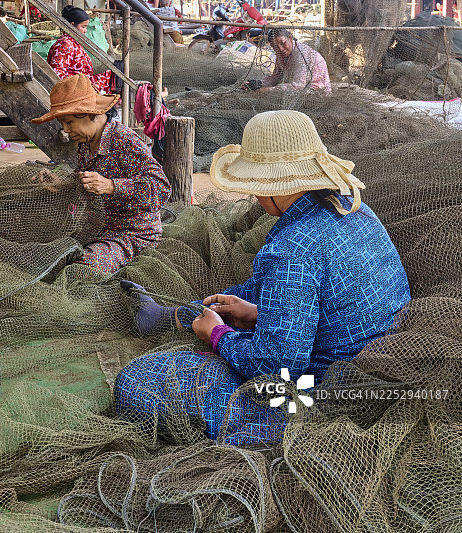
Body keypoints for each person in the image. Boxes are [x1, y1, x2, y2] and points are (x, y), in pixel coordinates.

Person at [115, 110, 410, 445]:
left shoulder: (292, 248)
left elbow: (275, 369)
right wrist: (257, 314)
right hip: (377, 368)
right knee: (248, 293)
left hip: (322, 397)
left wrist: (218, 336)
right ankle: (176, 317)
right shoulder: (353, 207)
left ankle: (184, 326)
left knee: (137, 382)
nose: (253, 192)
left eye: (256, 182)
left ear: (274, 182)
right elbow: (333, 303)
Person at [31, 74, 171, 274]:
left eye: (69, 122)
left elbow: (161, 189)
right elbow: (89, 183)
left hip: (132, 235)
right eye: (63, 123)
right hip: (99, 229)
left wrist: (111, 186)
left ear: (92, 114)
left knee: (85, 268)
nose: (66, 130)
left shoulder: (123, 140)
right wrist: (64, 183)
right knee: (48, 253)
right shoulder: (85, 144)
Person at [47, 6, 113, 94]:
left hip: (85, 83)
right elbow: (57, 74)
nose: (85, 31)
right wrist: (84, 85)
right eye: (83, 27)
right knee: (115, 82)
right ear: (72, 25)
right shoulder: (65, 44)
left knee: (114, 77)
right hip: (76, 89)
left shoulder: (74, 42)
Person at [244, 28, 331, 95]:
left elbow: (298, 86)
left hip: (316, 94)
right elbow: (276, 77)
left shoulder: (302, 54)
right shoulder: (281, 55)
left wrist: (268, 90)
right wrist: (260, 83)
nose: (281, 49)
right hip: (297, 92)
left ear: (290, 38)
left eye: (283, 43)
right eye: (275, 46)